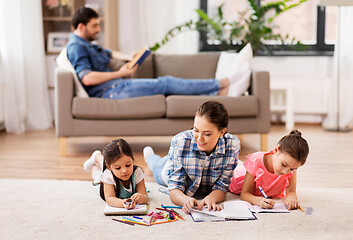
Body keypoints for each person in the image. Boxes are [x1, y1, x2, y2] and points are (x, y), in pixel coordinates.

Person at [66, 7, 249, 100]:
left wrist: (130, 58)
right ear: (81, 27)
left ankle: (220, 90)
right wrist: (121, 73)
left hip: (117, 86)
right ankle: (222, 83)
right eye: (95, 26)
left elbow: (109, 52)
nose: (98, 29)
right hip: (112, 91)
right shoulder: (76, 47)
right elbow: (88, 78)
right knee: (166, 83)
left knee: (166, 83)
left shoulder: (88, 44)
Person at [143, 101, 240, 213]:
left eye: (207, 134)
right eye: (196, 130)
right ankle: (149, 155)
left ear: (222, 132)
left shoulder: (233, 146)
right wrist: (186, 200)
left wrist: (210, 199)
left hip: (190, 165)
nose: (199, 138)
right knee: (156, 166)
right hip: (167, 170)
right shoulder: (180, 141)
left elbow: (222, 186)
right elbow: (175, 189)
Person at [229, 130, 309, 210]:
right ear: (276, 150)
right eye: (284, 164)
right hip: (235, 179)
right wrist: (259, 201)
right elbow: (245, 194)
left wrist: (291, 199)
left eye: (292, 169)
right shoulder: (255, 161)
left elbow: (291, 192)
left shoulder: (290, 166)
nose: (285, 172)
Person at [83, 139, 148, 209]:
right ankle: (96, 157)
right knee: (97, 175)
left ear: (132, 160)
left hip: (112, 170)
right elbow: (110, 199)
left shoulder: (137, 172)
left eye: (128, 165)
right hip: (101, 182)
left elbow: (145, 197)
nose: (124, 171)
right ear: (109, 167)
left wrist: (141, 197)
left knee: (109, 164)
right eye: (118, 168)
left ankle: (97, 160)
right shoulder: (107, 175)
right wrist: (122, 203)